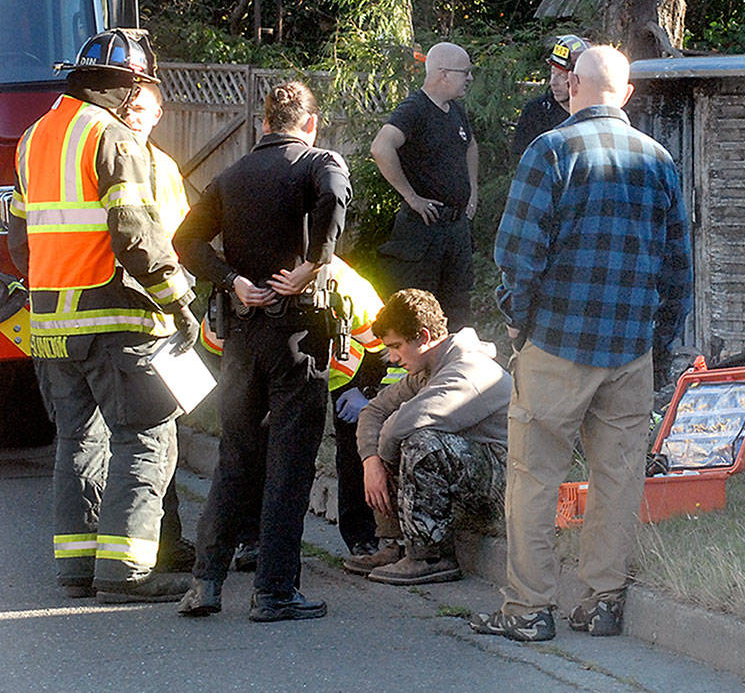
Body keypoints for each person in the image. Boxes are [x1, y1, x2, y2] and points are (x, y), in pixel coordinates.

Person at [472, 45, 691, 642]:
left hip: (557, 341)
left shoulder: (551, 150)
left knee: (534, 476)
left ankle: (529, 607)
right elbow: (678, 267)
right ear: (627, 94)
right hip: (631, 346)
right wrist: (658, 341)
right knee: (618, 476)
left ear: (572, 86)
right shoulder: (658, 159)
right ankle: (603, 601)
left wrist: (517, 321)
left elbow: (518, 250)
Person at [8, 28, 200, 602]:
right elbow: (136, 233)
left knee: (78, 441)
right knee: (147, 439)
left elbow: (20, 239)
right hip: (115, 319)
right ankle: (124, 572)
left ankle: (77, 567)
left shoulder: (33, 137)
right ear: (126, 86)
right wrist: (179, 301)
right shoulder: (112, 136)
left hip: (51, 325)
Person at [173, 80, 351, 622]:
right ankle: (274, 591)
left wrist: (231, 280)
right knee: (290, 463)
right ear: (311, 123)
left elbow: (185, 240)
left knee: (237, 456)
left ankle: (205, 583)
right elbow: (334, 194)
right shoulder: (319, 161)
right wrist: (314, 263)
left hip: (243, 336)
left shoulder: (231, 176)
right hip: (297, 335)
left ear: (263, 124)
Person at [198, 257, 388, 568]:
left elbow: (383, 347)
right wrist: (244, 389)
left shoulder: (345, 284)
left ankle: (362, 538)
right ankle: (252, 539)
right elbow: (212, 345)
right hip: (264, 371)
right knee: (254, 447)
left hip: (343, 375)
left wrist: (366, 392)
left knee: (355, 444)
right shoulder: (240, 286)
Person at [342, 288, 510, 585]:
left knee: (421, 443)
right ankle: (396, 544)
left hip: (505, 483)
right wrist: (370, 462)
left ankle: (430, 556)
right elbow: (373, 411)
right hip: (472, 474)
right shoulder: (427, 369)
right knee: (388, 442)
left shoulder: (468, 370)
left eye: (396, 346)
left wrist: (379, 462)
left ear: (423, 336)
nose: (393, 358)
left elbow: (403, 426)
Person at [119, 81, 197, 574]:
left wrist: (181, 303)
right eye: (129, 109)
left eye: (143, 110)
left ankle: (162, 541)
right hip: (125, 315)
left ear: (158, 115)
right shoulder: (112, 158)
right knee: (141, 439)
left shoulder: (163, 167)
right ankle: (142, 549)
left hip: (154, 317)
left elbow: (179, 239)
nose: (135, 117)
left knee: (157, 436)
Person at [370, 42, 478, 330]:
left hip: (456, 230)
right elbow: (381, 147)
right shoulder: (414, 109)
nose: (469, 78)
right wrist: (411, 197)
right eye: (465, 72)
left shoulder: (455, 110)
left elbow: (471, 146)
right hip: (423, 230)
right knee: (416, 315)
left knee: (457, 312)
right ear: (443, 74)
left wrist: (472, 191)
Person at [510, 34, 591, 157]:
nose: (553, 82)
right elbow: (523, 160)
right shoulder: (536, 111)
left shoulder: (596, 114)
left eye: (562, 76)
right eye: (553, 73)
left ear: (579, 79)